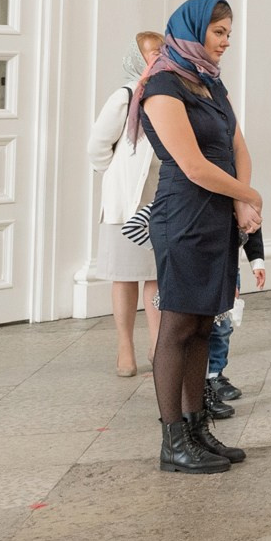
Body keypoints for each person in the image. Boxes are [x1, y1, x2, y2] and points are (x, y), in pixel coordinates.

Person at [132, 0, 260, 474]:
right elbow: (192, 165)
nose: (226, 42)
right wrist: (250, 195)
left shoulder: (210, 81)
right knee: (178, 326)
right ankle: (173, 442)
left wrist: (241, 201)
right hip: (184, 215)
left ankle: (197, 428)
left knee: (205, 323)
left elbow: (237, 146)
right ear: (193, 30)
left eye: (229, 33)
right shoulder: (162, 85)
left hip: (217, 213)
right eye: (219, 32)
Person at [89, 30, 164, 377]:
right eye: (152, 53)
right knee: (124, 276)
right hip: (125, 202)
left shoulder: (168, 94)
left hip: (160, 198)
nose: (159, 58)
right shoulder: (125, 96)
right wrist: (118, 175)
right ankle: (125, 347)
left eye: (163, 51)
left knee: (156, 276)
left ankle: (158, 345)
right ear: (137, 58)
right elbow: (97, 146)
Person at [200, 232, 267, 419]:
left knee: (222, 328)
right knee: (197, 330)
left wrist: (257, 262)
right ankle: (197, 381)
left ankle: (215, 374)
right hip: (200, 269)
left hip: (228, 269)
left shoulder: (240, 213)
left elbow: (252, 229)